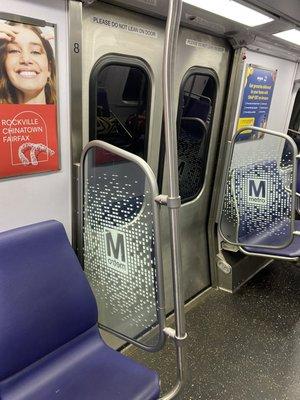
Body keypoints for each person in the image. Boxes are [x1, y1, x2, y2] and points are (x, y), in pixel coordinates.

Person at [0, 22, 56, 104]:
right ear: (4, 65)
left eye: (35, 51)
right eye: (14, 50)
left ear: (49, 69)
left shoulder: (66, 113)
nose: (26, 59)